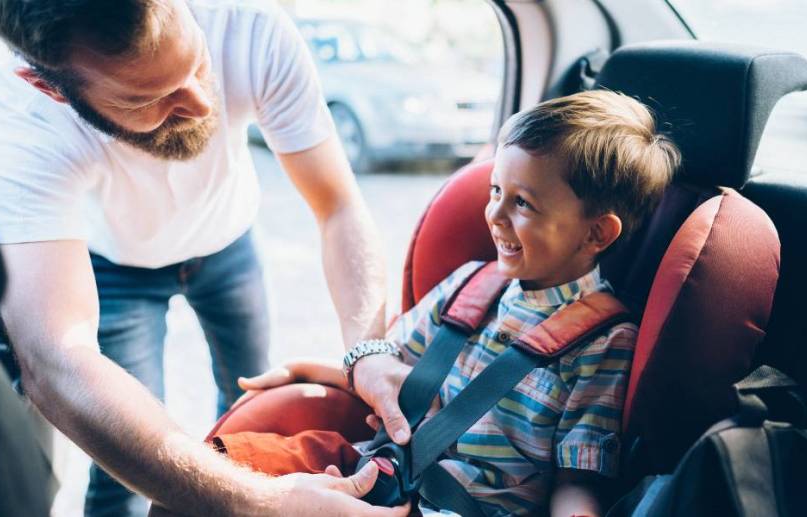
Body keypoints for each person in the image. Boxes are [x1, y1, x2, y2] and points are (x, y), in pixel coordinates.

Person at [0, 0, 403, 515]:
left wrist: (367, 350)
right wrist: (262, 504)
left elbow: (338, 206)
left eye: (197, 64)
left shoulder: (251, 26)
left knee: (247, 410)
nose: (200, 104)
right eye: (146, 97)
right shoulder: (21, 127)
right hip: (117, 268)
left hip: (229, 245)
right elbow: (57, 362)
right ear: (49, 87)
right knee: (125, 469)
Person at [218, 90, 681, 516]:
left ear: (597, 232)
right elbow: (394, 370)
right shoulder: (470, 285)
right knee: (216, 476)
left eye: (523, 204)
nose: (495, 216)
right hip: (378, 468)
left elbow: (577, 481)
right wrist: (313, 371)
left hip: (465, 506)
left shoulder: (604, 343)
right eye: (496, 191)